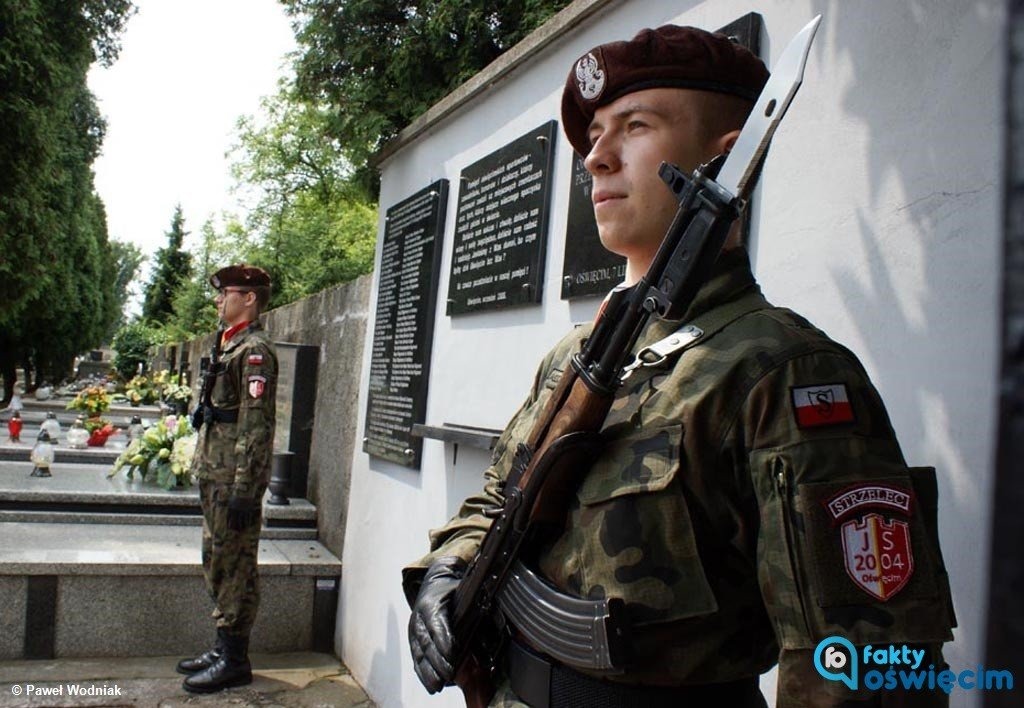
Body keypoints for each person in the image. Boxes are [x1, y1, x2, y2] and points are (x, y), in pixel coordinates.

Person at [404, 25, 956, 707]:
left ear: (725, 161)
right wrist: (447, 569)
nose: (595, 159)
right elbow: (500, 493)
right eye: (593, 136)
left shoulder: (778, 371)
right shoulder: (573, 356)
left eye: (633, 127)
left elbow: (861, 669)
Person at [178, 264, 278, 694]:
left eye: (227, 293)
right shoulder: (229, 346)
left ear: (250, 298)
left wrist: (244, 491)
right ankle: (222, 647)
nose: (220, 300)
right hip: (214, 473)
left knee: (235, 565)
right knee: (216, 561)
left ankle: (235, 659)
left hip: (232, 481)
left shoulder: (255, 352)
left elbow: (257, 428)